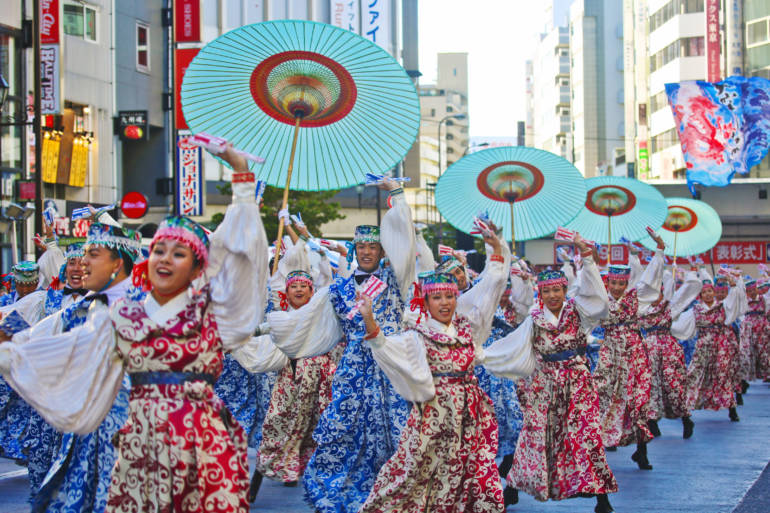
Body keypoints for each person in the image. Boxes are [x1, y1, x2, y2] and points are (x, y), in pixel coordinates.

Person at [0, 148, 270, 513]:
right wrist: (11, 349)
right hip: (139, 446)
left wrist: (240, 176)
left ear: (197, 268)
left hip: (201, 444)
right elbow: (67, 346)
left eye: (179, 254)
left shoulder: (211, 311)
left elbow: (241, 255)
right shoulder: (123, 315)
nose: (165, 259)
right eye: (159, 251)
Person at [264, 178, 416, 513]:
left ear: (382, 252)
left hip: (391, 365)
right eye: (361, 247)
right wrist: (266, 327)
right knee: (347, 429)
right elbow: (307, 319)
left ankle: (395, 491)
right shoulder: (339, 289)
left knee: (396, 428)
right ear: (354, 249)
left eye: (373, 247)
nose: (366, 252)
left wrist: (397, 195)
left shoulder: (394, 279)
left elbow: (405, 242)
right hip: (353, 369)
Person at [359, 227, 508, 513]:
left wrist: (496, 250)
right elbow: (385, 346)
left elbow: (491, 289)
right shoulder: (418, 335)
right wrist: (368, 317)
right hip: (433, 416)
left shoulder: (468, 328)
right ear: (426, 303)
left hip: (470, 415)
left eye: (449, 297)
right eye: (437, 298)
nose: (444, 303)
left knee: (478, 474)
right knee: (419, 472)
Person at [0, 215, 140, 513]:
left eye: (92, 255)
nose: (82, 264)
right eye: (77, 259)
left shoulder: (146, 307)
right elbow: (31, 337)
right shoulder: (76, 308)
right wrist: (10, 342)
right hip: (82, 433)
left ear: (117, 264)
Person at [479, 233, 617, 513]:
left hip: (577, 382)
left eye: (557, 290)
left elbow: (600, 301)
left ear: (565, 291)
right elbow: (513, 345)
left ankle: (602, 497)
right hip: (544, 384)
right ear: (540, 295)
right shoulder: (534, 320)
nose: (553, 296)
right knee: (534, 435)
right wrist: (480, 355)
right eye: (547, 292)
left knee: (587, 435)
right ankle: (512, 489)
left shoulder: (579, 312)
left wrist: (588, 259)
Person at [251, 222, 345, 498]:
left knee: (317, 429)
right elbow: (268, 328)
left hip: (321, 382)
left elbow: (334, 286)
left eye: (305, 286)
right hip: (290, 382)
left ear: (312, 291)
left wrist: (322, 249)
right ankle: (262, 477)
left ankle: (314, 478)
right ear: (287, 292)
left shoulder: (320, 312)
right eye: (295, 287)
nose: (300, 290)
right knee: (279, 425)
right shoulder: (281, 317)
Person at [593, 233, 665, 471]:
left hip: (634, 353)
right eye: (613, 283)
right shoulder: (601, 300)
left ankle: (641, 452)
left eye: (621, 284)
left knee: (638, 400)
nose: (616, 287)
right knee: (603, 396)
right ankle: (598, 450)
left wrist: (659, 251)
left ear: (627, 283)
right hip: (610, 354)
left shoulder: (636, 298)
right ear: (607, 283)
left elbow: (651, 280)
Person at [673, 270, 747, 421]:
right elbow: (681, 324)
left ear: (714, 292)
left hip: (721, 345)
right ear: (700, 296)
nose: (707, 294)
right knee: (694, 374)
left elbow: (735, 302)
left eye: (709, 291)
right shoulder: (696, 310)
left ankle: (731, 408)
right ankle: (685, 409)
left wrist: (734, 286)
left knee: (723, 375)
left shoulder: (722, 306)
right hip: (703, 346)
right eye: (704, 292)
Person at [637, 266, 702, 439]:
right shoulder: (641, 311)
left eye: (657, 293)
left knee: (674, 385)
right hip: (649, 352)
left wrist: (666, 271)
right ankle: (652, 422)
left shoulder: (669, 307)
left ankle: (686, 419)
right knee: (650, 387)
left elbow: (684, 290)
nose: (654, 297)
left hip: (668, 350)